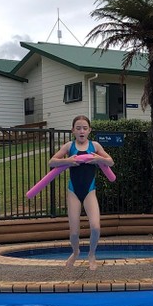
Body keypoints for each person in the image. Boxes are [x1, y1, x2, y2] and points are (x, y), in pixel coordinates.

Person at [48, 115, 114, 269]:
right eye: (78, 128)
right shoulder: (69, 146)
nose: (81, 131)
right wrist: (68, 161)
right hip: (73, 192)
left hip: (89, 192)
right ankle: (76, 251)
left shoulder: (95, 146)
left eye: (84, 128)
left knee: (96, 227)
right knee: (74, 233)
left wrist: (99, 159)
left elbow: (110, 161)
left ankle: (91, 254)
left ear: (89, 130)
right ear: (73, 131)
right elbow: (52, 162)